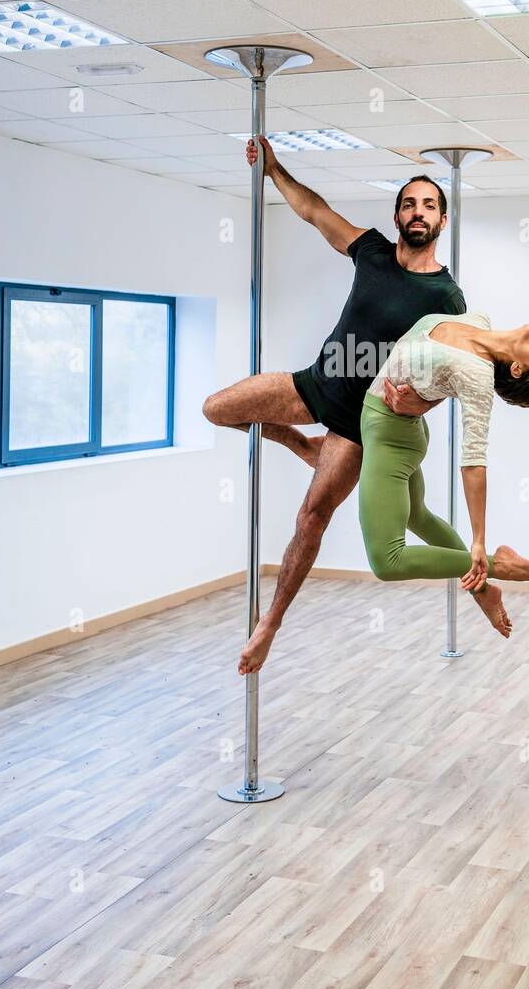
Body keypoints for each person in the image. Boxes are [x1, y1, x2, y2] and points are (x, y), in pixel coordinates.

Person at [203, 136, 500, 674]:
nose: (418, 212)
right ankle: (302, 446)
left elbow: (449, 377)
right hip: (313, 385)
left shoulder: (447, 299)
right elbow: (315, 212)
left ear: (442, 220)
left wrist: (414, 404)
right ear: (397, 214)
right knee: (218, 409)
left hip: (360, 426)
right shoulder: (371, 251)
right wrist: (274, 169)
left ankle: (268, 625)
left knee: (309, 519)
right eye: (409, 203)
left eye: (429, 205)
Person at [358, 311, 529, 597]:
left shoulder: (478, 377)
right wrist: (423, 403)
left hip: (390, 437)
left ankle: (501, 566)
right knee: (417, 515)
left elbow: (474, 459)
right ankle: (482, 591)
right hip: (397, 428)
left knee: (387, 561)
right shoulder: (479, 320)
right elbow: (439, 378)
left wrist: (479, 542)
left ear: (518, 370)